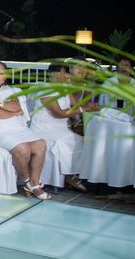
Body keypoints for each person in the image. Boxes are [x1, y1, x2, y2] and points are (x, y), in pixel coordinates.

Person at [0, 61, 52, 200]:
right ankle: (27, 180)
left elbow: (16, 105)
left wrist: (0, 104)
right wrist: (13, 112)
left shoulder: (10, 90)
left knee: (40, 144)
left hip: (16, 129)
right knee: (22, 148)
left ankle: (34, 182)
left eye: (1, 73)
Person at [29, 63, 90, 192]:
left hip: (62, 127)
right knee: (63, 143)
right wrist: (82, 109)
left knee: (82, 140)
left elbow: (75, 105)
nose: (60, 76)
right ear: (50, 74)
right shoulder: (44, 89)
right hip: (44, 127)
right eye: (57, 73)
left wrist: (86, 105)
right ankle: (68, 176)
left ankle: (72, 173)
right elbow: (59, 113)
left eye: (64, 73)